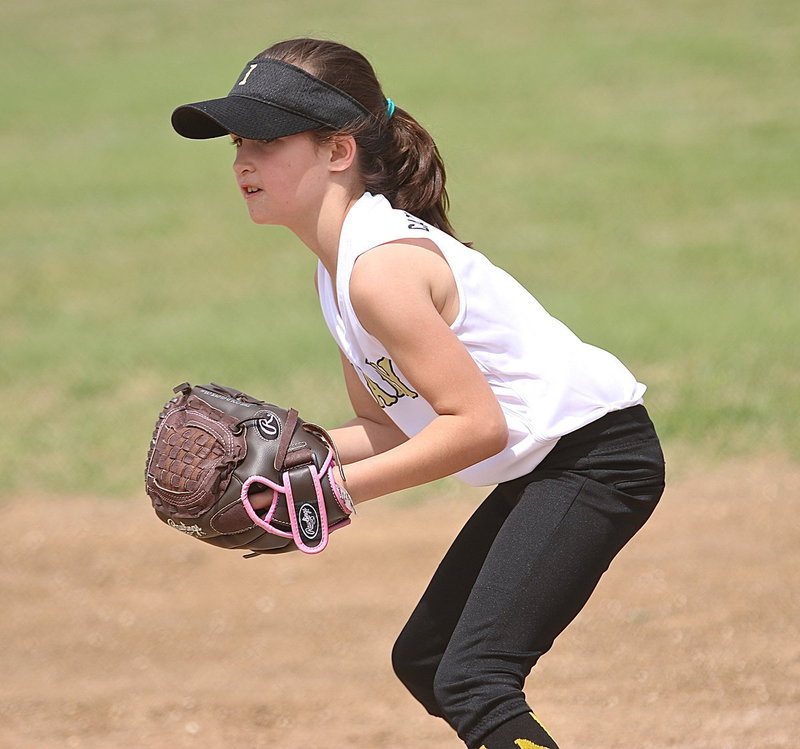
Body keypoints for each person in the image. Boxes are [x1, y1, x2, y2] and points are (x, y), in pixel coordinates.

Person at [171, 37, 666, 749]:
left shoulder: (381, 270)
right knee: (428, 661)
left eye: (268, 139)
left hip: (595, 460)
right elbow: (392, 421)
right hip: (553, 463)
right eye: (238, 139)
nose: (243, 158)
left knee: (474, 676)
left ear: (339, 151)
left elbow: (476, 428)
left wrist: (329, 494)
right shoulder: (339, 267)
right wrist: (272, 455)